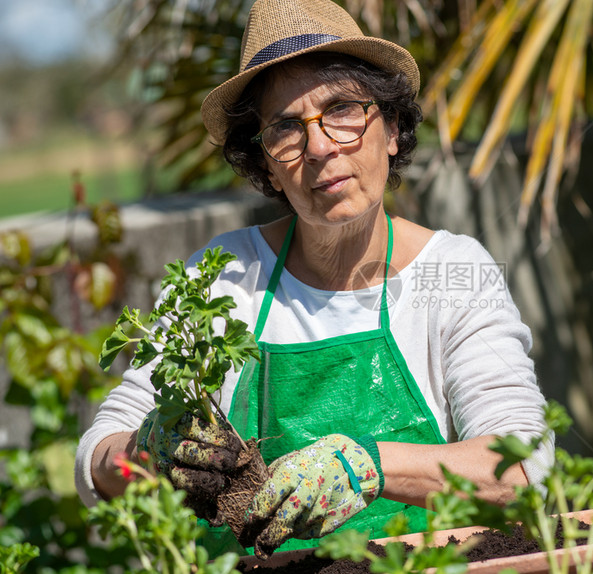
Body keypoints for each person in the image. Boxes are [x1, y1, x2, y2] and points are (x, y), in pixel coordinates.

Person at [75, 0, 553, 559]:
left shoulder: (454, 274)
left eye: (343, 109)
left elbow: (524, 468)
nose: (320, 147)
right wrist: (141, 450)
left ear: (393, 128)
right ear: (267, 166)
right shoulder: (225, 276)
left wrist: (369, 467)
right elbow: (98, 457)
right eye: (285, 129)